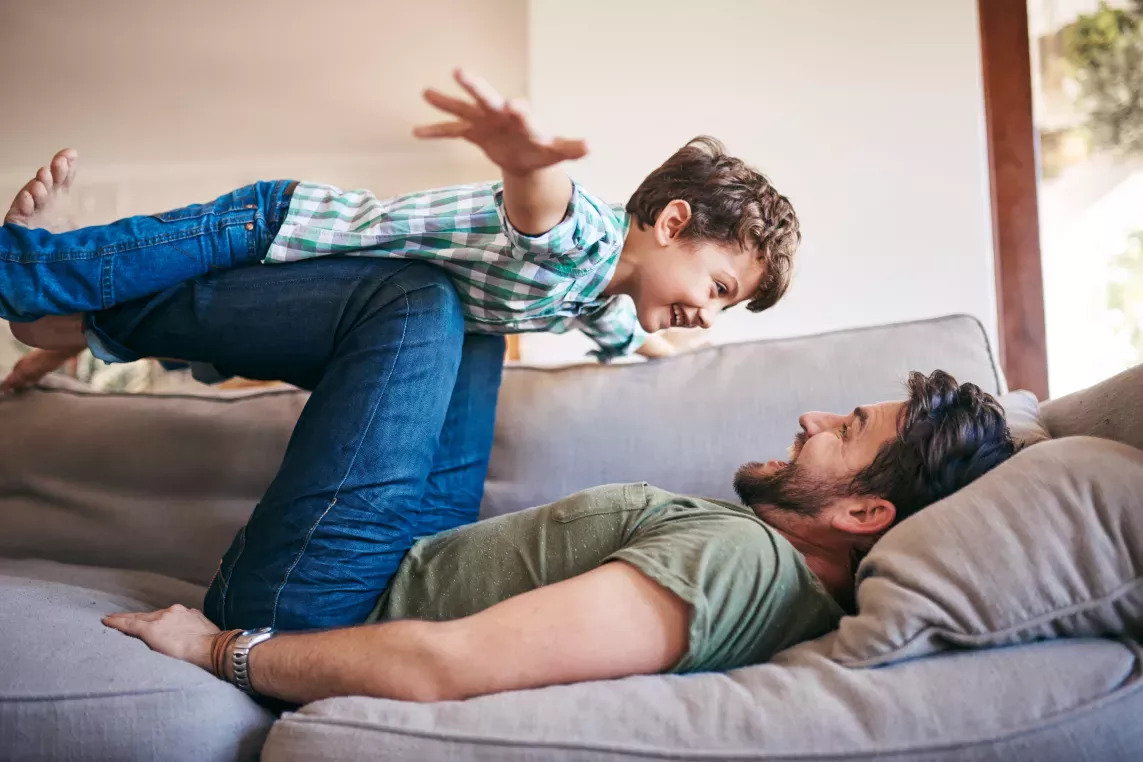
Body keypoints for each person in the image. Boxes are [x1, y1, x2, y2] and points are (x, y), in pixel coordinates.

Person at [103, 369, 1016, 705]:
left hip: (322, 602)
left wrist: (221, 649)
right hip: (396, 559)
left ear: (862, 516)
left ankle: (77, 309)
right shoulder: (759, 555)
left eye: (845, 429)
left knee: (415, 300)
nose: (812, 417)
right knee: (473, 301)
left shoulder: (738, 562)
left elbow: (447, 665)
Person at [0, 69, 801, 379]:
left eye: (725, 308)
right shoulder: (585, 236)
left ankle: (58, 333)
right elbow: (543, 208)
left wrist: (673, 351)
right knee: (107, 267)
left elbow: (623, 339)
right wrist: (525, 159)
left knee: (186, 338)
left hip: (312, 295)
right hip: (277, 228)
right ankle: (39, 257)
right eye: (717, 288)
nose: (709, 314)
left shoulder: (598, 298)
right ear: (670, 222)